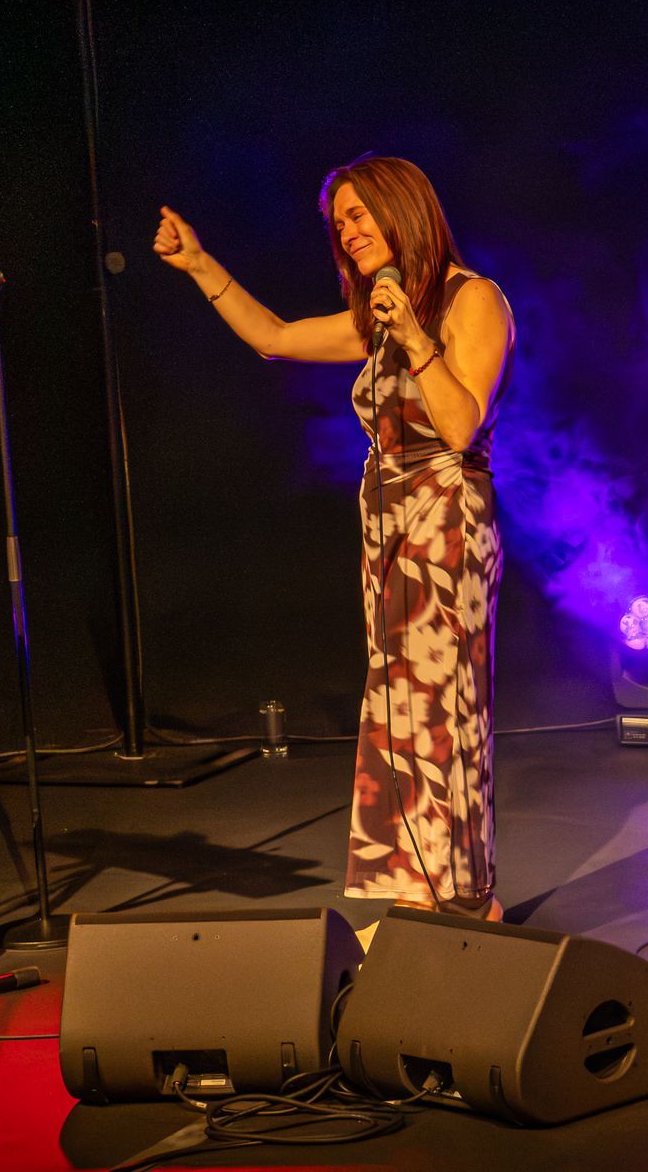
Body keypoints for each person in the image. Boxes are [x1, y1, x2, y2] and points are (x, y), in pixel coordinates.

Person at [154, 155, 514, 925]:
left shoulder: (472, 299)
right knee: (398, 714)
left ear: (401, 209)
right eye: (338, 222)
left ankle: (467, 900)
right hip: (387, 532)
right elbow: (276, 337)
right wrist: (199, 264)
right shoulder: (380, 316)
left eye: (357, 215)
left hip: (446, 524)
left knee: (444, 713)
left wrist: (415, 337)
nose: (346, 232)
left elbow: (460, 425)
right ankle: (422, 895)